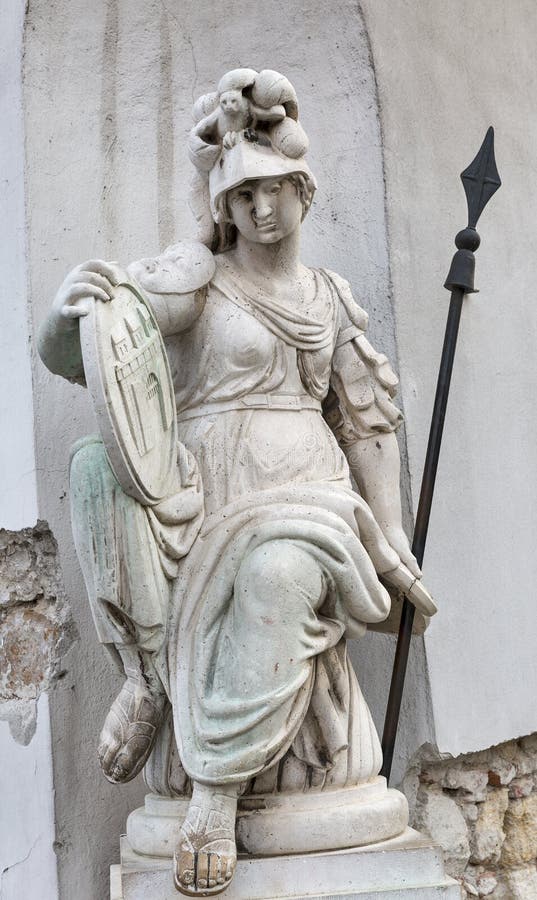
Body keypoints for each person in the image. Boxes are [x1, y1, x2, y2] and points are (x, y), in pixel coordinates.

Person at [38, 69, 435, 897]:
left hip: (310, 506)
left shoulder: (330, 300)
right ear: (221, 205)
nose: (258, 210)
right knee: (91, 469)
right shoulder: (200, 278)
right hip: (199, 498)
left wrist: (390, 536)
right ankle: (150, 684)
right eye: (240, 196)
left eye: (273, 191)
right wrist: (66, 315)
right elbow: (104, 351)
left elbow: (366, 422)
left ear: (303, 191)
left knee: (278, 575)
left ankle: (215, 794)